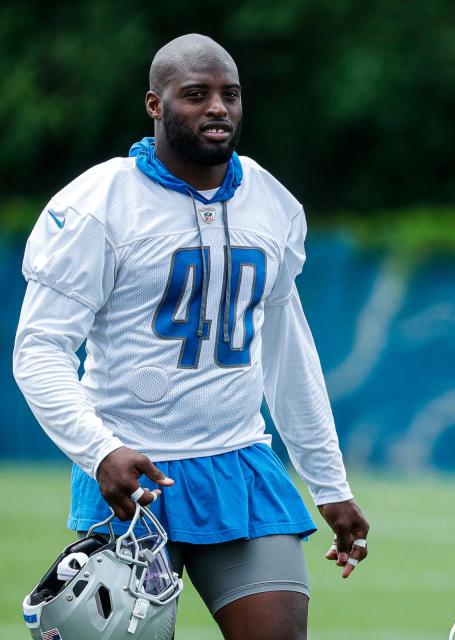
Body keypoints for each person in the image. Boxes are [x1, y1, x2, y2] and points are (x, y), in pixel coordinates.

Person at [13, 34, 368, 640]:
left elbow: (287, 355)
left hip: (239, 464)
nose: (217, 109)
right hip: (132, 478)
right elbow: (39, 350)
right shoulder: (99, 204)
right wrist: (100, 451)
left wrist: (329, 483)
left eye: (229, 95)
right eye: (195, 95)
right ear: (155, 105)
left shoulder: (271, 201)